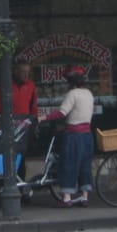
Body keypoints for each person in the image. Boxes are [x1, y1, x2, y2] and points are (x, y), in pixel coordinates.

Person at [41, 65, 94, 207]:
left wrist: (44, 117)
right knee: (84, 164)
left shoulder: (72, 94)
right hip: (87, 134)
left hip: (73, 135)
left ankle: (66, 198)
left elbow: (62, 113)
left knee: (69, 164)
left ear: (71, 82)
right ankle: (84, 196)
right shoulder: (89, 94)